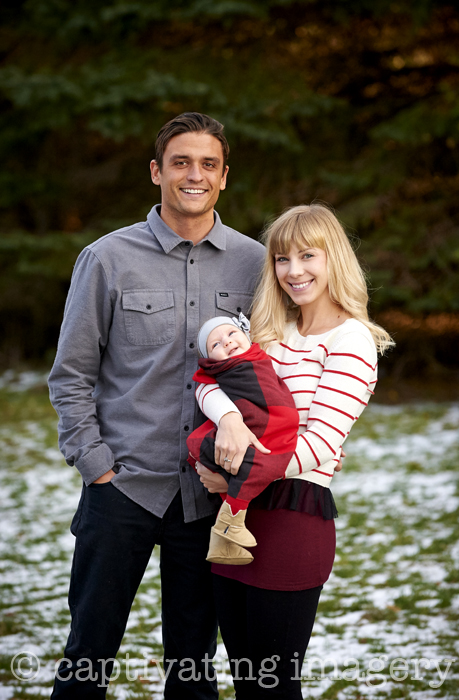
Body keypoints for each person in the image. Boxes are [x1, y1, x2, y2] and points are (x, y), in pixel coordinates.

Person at [47, 112, 266, 699]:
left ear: (224, 177)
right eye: (180, 162)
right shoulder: (107, 258)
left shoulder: (256, 264)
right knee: (87, 656)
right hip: (122, 487)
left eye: (208, 165)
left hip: (209, 495)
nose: (194, 175)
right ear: (156, 171)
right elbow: (70, 375)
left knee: (194, 666)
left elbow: (273, 374)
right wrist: (96, 464)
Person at [196, 203, 394, 699]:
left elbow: (321, 444)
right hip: (233, 525)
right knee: (246, 684)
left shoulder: (352, 340)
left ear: (335, 259)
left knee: (276, 686)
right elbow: (210, 385)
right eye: (282, 259)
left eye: (308, 256)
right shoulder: (266, 333)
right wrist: (229, 418)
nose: (294, 271)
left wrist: (235, 476)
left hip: (291, 523)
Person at [186, 313, 299, 565]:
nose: (225, 342)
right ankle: (230, 522)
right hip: (252, 425)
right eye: (215, 344)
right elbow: (203, 388)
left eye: (231, 333)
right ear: (209, 359)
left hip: (277, 422)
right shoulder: (218, 371)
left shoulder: (263, 357)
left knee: (263, 460)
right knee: (253, 463)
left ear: (246, 336)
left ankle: (223, 539)